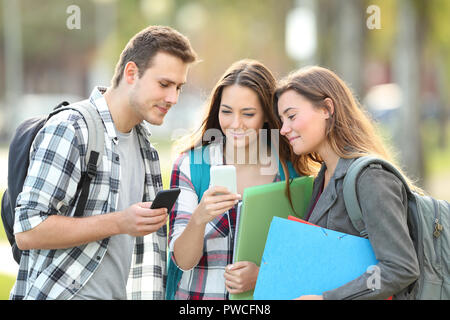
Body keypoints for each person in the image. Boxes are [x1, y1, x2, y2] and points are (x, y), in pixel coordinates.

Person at [11, 25, 197, 300]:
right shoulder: (73, 127)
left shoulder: (146, 147)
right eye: (164, 84)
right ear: (131, 73)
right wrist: (120, 222)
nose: (173, 98)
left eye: (179, 87)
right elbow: (27, 229)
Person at [275, 66, 420, 300]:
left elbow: (400, 267)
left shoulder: (371, 177)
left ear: (327, 109)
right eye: (282, 120)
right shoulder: (322, 178)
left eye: (291, 116)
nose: (283, 129)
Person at [168, 59, 309, 300]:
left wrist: (262, 274)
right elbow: (182, 260)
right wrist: (200, 217)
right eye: (226, 112)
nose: (236, 124)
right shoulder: (191, 166)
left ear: (266, 114)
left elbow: (303, 257)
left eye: (248, 114)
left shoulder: (289, 173)